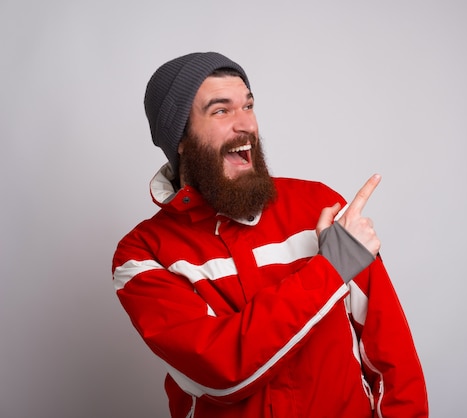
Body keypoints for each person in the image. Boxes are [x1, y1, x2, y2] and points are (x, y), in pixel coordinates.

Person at [112, 51, 428, 418]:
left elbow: (392, 357)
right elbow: (222, 370)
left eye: (248, 106)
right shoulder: (142, 255)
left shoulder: (319, 206)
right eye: (221, 110)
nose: (245, 123)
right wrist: (329, 270)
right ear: (180, 138)